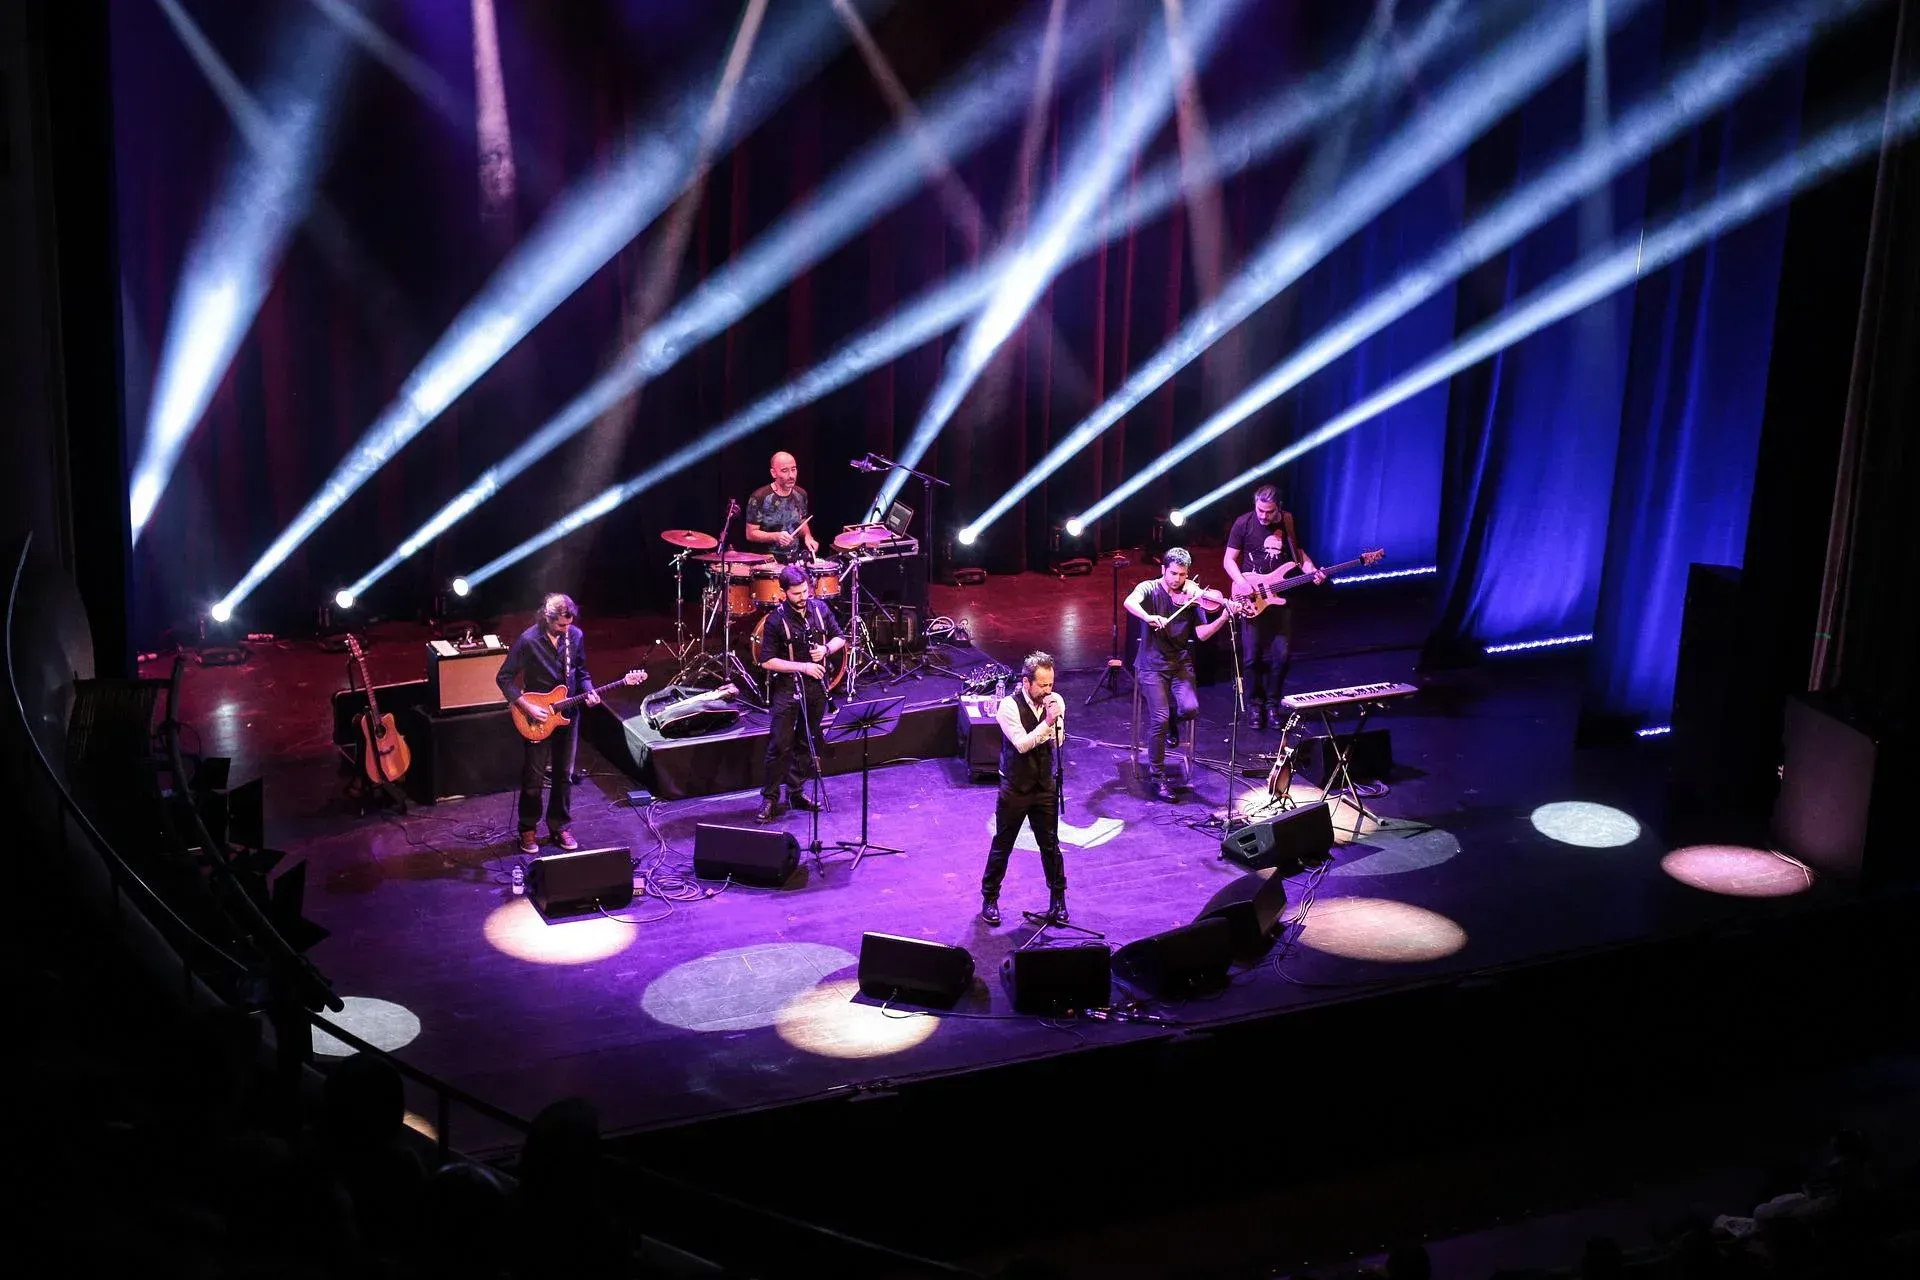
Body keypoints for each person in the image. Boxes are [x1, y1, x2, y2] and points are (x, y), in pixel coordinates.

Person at [1125, 547, 1234, 803]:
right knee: (1159, 720)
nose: (1177, 580)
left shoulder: (1193, 596)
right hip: (1151, 665)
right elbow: (1129, 601)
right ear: (1163, 570)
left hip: (1180, 663)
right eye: (1173, 573)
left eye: (1182, 575)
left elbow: (1203, 634)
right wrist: (1148, 615)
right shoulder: (1150, 588)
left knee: (1191, 709)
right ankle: (1158, 775)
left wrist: (1224, 616)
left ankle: (1172, 718)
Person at [497, 593, 598, 854]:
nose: (566, 630)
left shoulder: (575, 636)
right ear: (547, 617)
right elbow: (504, 678)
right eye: (560, 625)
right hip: (537, 716)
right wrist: (526, 706)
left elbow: (582, 672)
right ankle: (528, 829)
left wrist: (589, 690)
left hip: (569, 714)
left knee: (564, 776)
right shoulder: (528, 640)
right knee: (533, 778)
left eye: (569, 624)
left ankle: (559, 826)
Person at [1221, 484, 1321, 729]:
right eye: (1260, 511)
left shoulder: (1288, 522)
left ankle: (1272, 705)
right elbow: (1228, 560)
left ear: (1279, 507)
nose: (1263, 516)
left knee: (1282, 656)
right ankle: (1255, 705)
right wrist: (1241, 582)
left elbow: (1299, 555)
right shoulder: (1243, 524)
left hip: (1282, 600)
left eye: (1269, 512)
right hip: (1252, 598)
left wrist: (1311, 570)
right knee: (1252, 657)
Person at [980, 651, 1068, 926]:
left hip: (1044, 785)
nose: (1048, 690)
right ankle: (990, 897)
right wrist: (1048, 724)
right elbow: (1021, 744)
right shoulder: (1008, 706)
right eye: (1042, 685)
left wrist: (1055, 724)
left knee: (1050, 845)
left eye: (1051, 684)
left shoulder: (1056, 702)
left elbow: (1058, 742)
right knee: (1003, 844)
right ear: (1026, 682)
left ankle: (1058, 900)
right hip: (1016, 787)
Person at [755, 564, 846, 823]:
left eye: (805, 591)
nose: (802, 597)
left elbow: (840, 637)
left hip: (816, 689)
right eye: (796, 593)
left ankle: (795, 791)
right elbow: (767, 661)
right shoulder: (775, 620)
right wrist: (803, 666)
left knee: (806, 741)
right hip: (787, 689)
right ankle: (770, 798)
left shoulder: (820, 609)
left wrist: (826, 650)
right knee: (779, 746)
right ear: (783, 592)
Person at [744, 451, 819, 563]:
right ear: (773, 473)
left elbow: (802, 521)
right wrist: (776, 536)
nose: (791, 476)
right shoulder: (759, 497)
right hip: (766, 562)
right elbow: (750, 534)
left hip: (793, 560)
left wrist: (808, 536)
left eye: (793, 469)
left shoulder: (801, 494)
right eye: (785, 471)